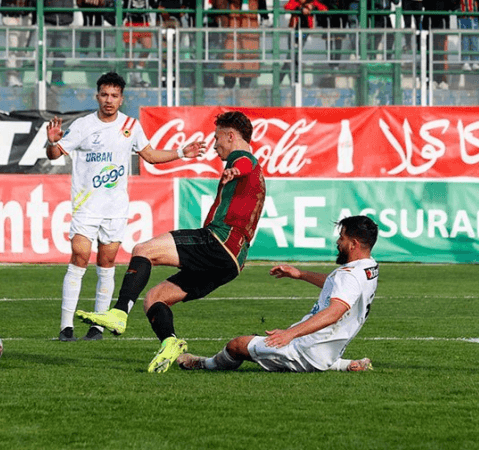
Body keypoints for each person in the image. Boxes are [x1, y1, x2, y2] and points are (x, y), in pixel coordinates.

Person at [77, 111, 265, 372]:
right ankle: (169, 343)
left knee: (143, 250)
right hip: (232, 264)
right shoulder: (252, 169)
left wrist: (235, 168)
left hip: (220, 241)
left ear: (231, 136)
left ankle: (119, 312)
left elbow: (243, 160)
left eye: (217, 137)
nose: (214, 143)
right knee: (155, 298)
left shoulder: (241, 158)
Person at [46, 72, 205, 342]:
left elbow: (151, 156)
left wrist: (181, 153)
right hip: (86, 207)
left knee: (106, 264)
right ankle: (66, 327)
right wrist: (52, 142)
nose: (109, 100)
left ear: (121, 99)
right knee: (79, 258)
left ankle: (96, 327)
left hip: (115, 209)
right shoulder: (83, 126)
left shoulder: (131, 125)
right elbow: (54, 155)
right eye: (104, 95)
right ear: (97, 96)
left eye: (114, 96)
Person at [177, 215, 379, 374]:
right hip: (327, 348)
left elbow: (334, 312)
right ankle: (342, 364)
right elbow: (337, 284)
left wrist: (289, 334)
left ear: (353, 244)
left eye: (341, 238)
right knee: (303, 351)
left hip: (305, 350)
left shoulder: (350, 276)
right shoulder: (368, 268)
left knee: (236, 345)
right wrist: (300, 274)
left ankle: (204, 364)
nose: (338, 242)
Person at [221, 0, 268, 89]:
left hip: (248, 18)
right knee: (232, 48)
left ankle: (244, 81)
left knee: (248, 48)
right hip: (234, 18)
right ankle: (229, 81)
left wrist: (264, 16)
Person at [280, 0, 328, 84]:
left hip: (304, 31)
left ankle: (284, 78)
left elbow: (324, 9)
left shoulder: (313, 1)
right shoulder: (295, 1)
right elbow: (287, 7)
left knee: (294, 54)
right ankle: (293, 80)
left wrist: (312, 7)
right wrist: (301, 8)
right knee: (292, 54)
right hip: (294, 30)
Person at [1, 0, 34, 87]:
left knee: (21, 48)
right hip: (11, 14)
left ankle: (16, 75)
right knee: (13, 46)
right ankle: (11, 77)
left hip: (26, 15)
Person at [123, 0, 156, 87]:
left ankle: (137, 74)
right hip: (130, 22)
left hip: (144, 23)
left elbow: (156, 5)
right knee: (130, 51)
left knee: (147, 47)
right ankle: (131, 77)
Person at [44, 0, 75, 86]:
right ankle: (42, 79)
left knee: (61, 52)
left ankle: (56, 79)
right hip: (48, 20)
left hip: (64, 21)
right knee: (44, 52)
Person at [458, 0, 479, 71]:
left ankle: (475, 61)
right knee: (464, 40)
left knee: (474, 39)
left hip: (474, 16)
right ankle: (465, 62)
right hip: (463, 17)